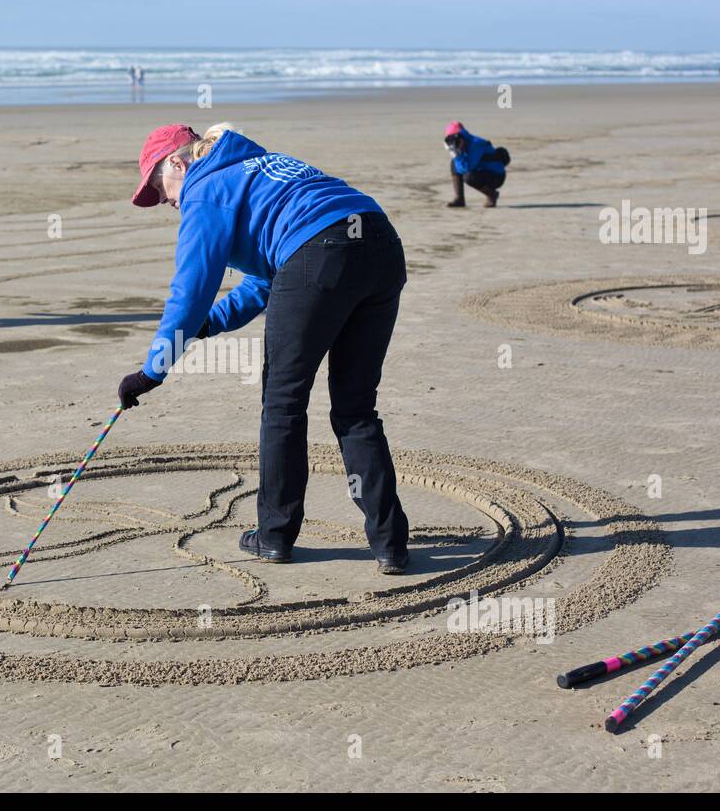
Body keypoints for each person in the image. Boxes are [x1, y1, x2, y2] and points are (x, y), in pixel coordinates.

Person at [117, 123, 412, 574]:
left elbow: (189, 290)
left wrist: (152, 371)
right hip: (380, 244)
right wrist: (207, 326)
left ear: (178, 162)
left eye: (160, 189)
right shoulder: (256, 168)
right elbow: (269, 278)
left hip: (321, 250)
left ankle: (274, 536)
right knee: (355, 408)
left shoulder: (205, 187)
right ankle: (390, 544)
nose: (166, 202)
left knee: (283, 404)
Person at [444, 121, 509, 208]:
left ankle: (492, 195)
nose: (454, 142)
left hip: (496, 176)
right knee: (454, 163)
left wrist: (456, 155)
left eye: (456, 139)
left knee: (468, 177)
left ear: (462, 136)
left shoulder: (475, 144)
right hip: (483, 171)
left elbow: (465, 169)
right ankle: (459, 199)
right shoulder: (464, 143)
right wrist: (455, 153)